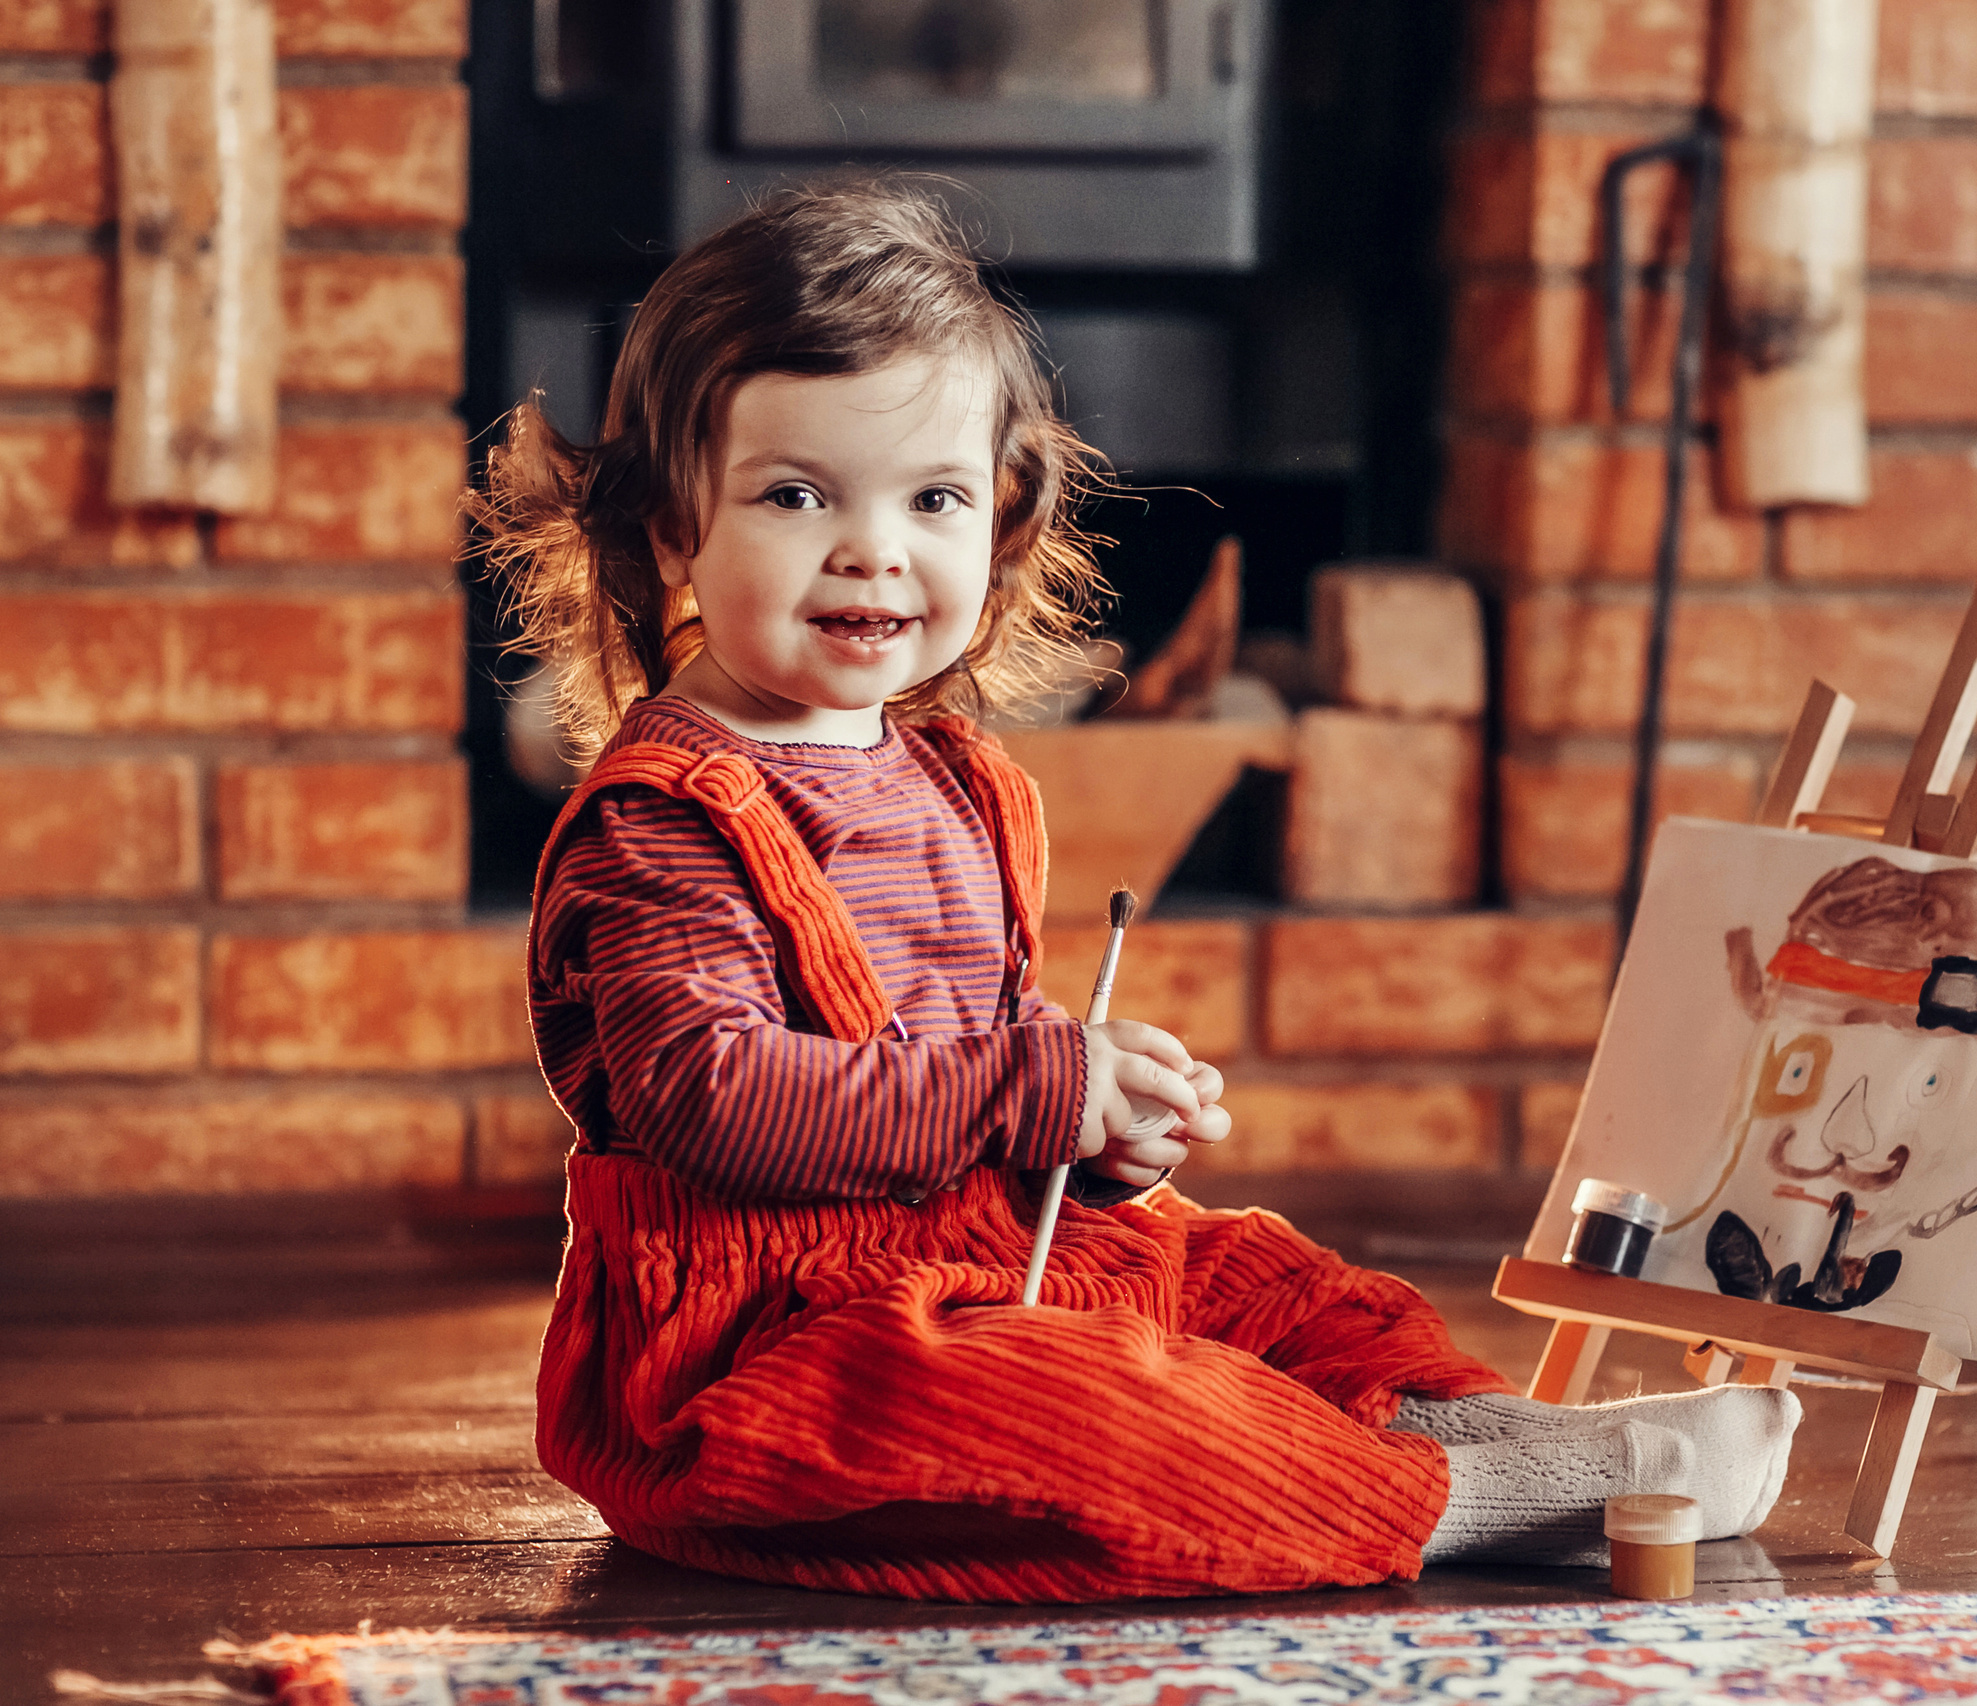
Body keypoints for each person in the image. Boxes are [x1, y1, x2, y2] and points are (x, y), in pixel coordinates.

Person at [473, 185, 1798, 1603]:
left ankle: (1479, 1434)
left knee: (1267, 1282)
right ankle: (1473, 1498)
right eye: (797, 495)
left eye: (933, 499)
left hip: (980, 1249)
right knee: (1080, 1407)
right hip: (769, 1348)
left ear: (999, 525)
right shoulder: (666, 821)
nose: (874, 548)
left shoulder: (954, 780)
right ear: (676, 529)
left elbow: (976, 1053)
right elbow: (714, 1096)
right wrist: (1034, 1089)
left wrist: (1099, 1137)